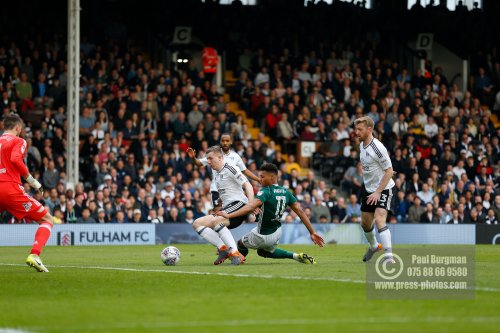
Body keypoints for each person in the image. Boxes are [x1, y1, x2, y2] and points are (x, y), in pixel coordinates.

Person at [217, 163, 324, 264]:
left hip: (262, 234)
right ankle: (296, 256)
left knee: (240, 243)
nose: (260, 179)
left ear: (272, 177)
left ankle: (238, 260)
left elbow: (250, 206)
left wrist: (228, 215)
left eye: (262, 177)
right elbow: (300, 211)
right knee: (263, 252)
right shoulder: (286, 192)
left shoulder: (266, 191)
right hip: (277, 232)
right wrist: (312, 232)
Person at [0, 114, 53, 272]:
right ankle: (35, 255)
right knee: (47, 218)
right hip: (9, 189)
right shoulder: (18, 141)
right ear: (18, 128)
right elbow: (16, 159)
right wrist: (31, 180)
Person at [191, 146, 254, 265]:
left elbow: (248, 185)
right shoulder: (218, 173)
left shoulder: (231, 168)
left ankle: (235, 253)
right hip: (227, 208)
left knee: (216, 221)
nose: (208, 162)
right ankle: (223, 249)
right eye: (207, 159)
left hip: (239, 205)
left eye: (210, 159)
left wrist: (251, 205)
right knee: (197, 223)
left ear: (220, 157)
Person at [353, 116, 395, 264]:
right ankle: (374, 246)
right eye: (356, 129)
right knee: (365, 223)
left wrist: (378, 192)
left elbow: (389, 171)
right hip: (369, 189)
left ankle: (389, 257)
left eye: (360, 129)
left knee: (379, 218)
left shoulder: (378, 148)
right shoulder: (361, 145)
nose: (356, 132)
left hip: (383, 189)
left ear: (369, 129)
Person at [186, 133, 260, 210]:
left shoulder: (235, 156)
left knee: (231, 214)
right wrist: (193, 158)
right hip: (216, 189)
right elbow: (199, 163)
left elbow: (244, 170)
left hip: (231, 191)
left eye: (227, 141)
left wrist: (257, 179)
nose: (225, 143)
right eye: (223, 141)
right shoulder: (214, 155)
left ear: (231, 142)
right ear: (220, 142)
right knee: (218, 213)